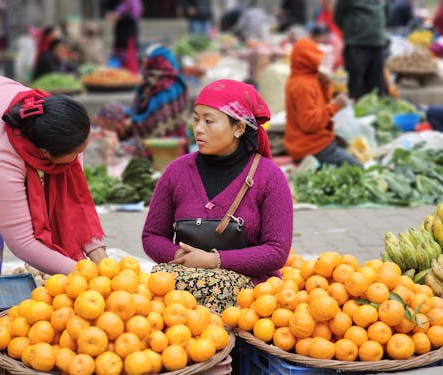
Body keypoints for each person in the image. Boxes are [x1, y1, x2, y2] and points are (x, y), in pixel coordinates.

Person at [0, 66, 107, 310]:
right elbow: (23, 243)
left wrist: (100, 256)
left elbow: (77, 201)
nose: (78, 160)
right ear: (44, 153)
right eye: (76, 153)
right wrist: (85, 273)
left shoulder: (53, 121)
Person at [142, 79, 293, 313]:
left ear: (239, 128)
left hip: (252, 301)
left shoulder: (270, 178)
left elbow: (276, 251)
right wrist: (184, 258)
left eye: (209, 121)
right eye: (196, 119)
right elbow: (152, 235)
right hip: (181, 299)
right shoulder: (176, 172)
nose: (199, 128)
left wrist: (214, 261)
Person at [92, 45, 189, 157]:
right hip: (141, 129)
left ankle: (108, 148)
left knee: (120, 150)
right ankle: (97, 138)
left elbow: (153, 124)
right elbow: (136, 110)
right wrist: (130, 119)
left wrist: (132, 123)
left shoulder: (169, 88)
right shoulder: (149, 83)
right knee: (110, 108)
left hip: (162, 141)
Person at [284, 38, 361, 167]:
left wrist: (325, 86)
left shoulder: (305, 77)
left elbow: (320, 106)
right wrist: (336, 106)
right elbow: (309, 123)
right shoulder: (304, 85)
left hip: (314, 142)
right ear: (307, 60)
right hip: (313, 146)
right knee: (359, 168)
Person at [334, 0, 387, 100]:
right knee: (355, 84)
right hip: (356, 42)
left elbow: (385, 11)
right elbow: (338, 15)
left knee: (376, 84)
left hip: (376, 42)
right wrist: (351, 30)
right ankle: (352, 109)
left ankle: (374, 109)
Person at [107, 0, 143, 74]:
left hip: (128, 36)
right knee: (118, 58)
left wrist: (119, 17)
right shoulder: (123, 4)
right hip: (120, 37)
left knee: (129, 60)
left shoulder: (134, 2)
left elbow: (134, 16)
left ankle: (132, 80)